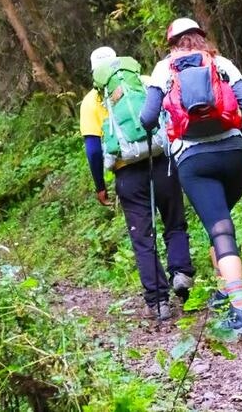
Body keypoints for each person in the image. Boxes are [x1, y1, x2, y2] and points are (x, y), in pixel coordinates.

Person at [139, 19, 242, 336]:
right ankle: (224, 290)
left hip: (195, 160)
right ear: (200, 38)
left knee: (220, 230)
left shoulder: (165, 69)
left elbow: (147, 118)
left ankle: (240, 311)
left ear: (171, 42)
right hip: (233, 155)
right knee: (217, 222)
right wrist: (241, 133)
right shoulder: (220, 63)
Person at [81, 46, 195, 321]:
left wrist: (100, 185)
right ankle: (181, 272)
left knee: (143, 238)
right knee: (174, 222)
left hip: (128, 174)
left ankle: (158, 303)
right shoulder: (143, 82)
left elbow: (93, 150)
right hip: (161, 162)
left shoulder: (91, 100)